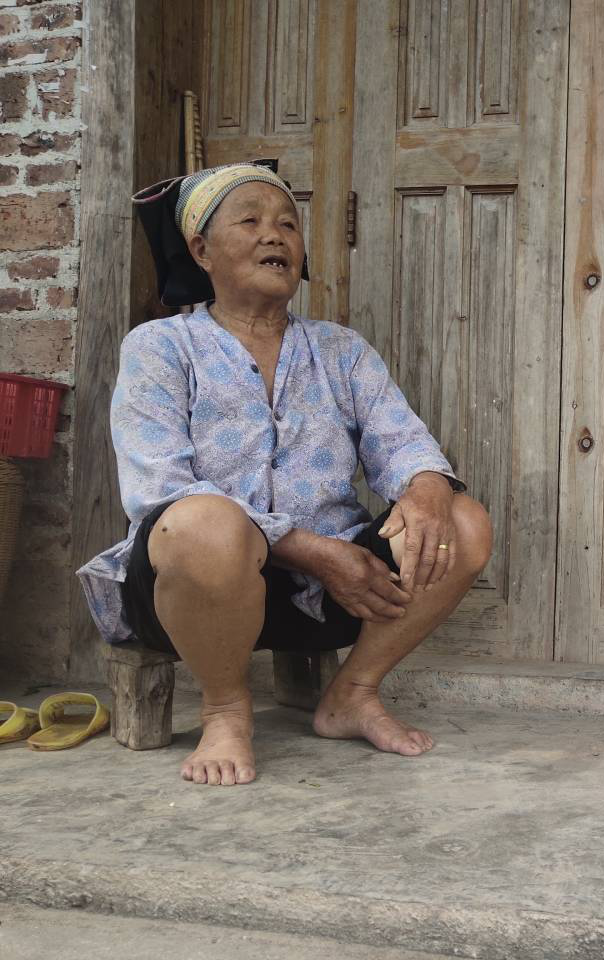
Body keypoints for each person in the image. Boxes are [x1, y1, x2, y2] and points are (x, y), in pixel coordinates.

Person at [78, 161, 492, 786]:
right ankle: (225, 709)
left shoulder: (341, 350)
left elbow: (404, 444)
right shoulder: (160, 347)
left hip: (332, 596)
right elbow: (158, 489)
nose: (275, 235)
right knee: (201, 523)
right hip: (192, 593)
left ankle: (353, 693)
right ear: (201, 251)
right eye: (250, 221)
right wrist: (315, 552)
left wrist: (429, 488)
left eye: (289, 225)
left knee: (461, 520)